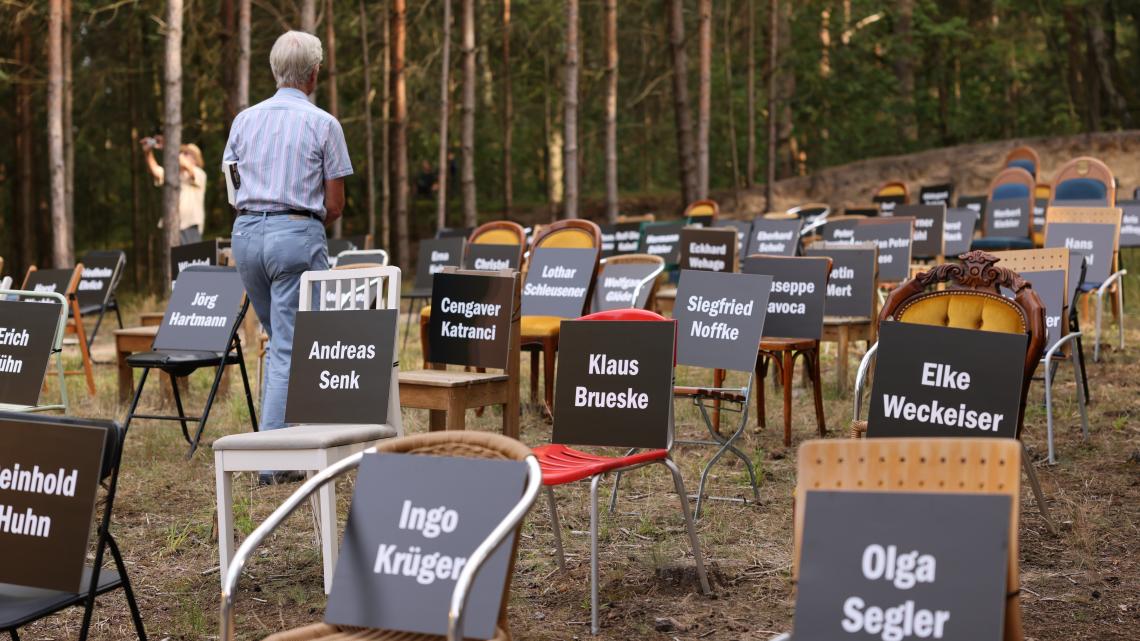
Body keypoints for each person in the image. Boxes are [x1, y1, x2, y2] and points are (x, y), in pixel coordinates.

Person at [223, 30, 352, 484]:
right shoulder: (324, 124)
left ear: (275, 71)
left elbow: (232, 185)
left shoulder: (244, 120)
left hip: (245, 234)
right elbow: (335, 204)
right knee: (287, 345)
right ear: (314, 74)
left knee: (280, 340)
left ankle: (286, 440)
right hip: (295, 233)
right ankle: (275, 460)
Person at [142, 136, 207, 237]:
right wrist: (148, 152)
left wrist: (168, 146)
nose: (181, 155)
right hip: (170, 227)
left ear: (195, 160)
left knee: (191, 253)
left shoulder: (199, 174)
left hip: (190, 227)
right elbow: (155, 170)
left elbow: (186, 166)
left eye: (186, 153)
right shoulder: (173, 175)